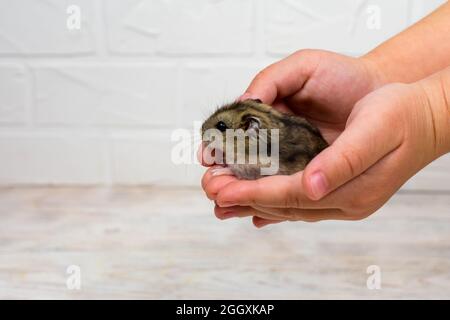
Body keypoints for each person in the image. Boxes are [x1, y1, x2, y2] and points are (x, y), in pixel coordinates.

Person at [200, 2, 450, 228]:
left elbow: (255, 166)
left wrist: (431, 113)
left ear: (249, 127)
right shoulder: (260, 139)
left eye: (221, 127)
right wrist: (377, 75)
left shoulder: (261, 146)